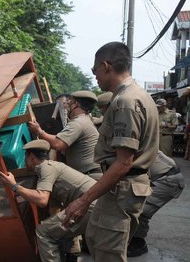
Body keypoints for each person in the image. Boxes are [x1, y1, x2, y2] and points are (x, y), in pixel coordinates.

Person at [63, 42, 158, 262]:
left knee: (109, 253)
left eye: (94, 69)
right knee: (95, 237)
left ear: (106, 66)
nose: (94, 75)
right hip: (117, 187)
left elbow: (124, 163)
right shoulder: (132, 96)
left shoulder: (126, 102)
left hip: (122, 189)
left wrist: (83, 200)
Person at [0, 139, 97, 262]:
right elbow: (54, 209)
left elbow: (42, 199)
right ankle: (70, 256)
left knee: (43, 232)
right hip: (94, 203)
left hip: (89, 205)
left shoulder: (45, 168)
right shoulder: (51, 167)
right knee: (53, 226)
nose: (24, 161)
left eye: (25, 157)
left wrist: (14, 186)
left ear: (31, 156)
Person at [28, 90, 102, 179]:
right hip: (89, 174)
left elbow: (58, 144)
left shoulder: (78, 122)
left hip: (89, 175)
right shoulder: (85, 120)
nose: (67, 106)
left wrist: (39, 131)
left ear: (76, 105)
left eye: (69, 103)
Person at [127, 150, 185, 257]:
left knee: (141, 210)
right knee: (136, 205)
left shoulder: (130, 147)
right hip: (167, 176)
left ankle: (138, 243)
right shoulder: (141, 143)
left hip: (168, 180)